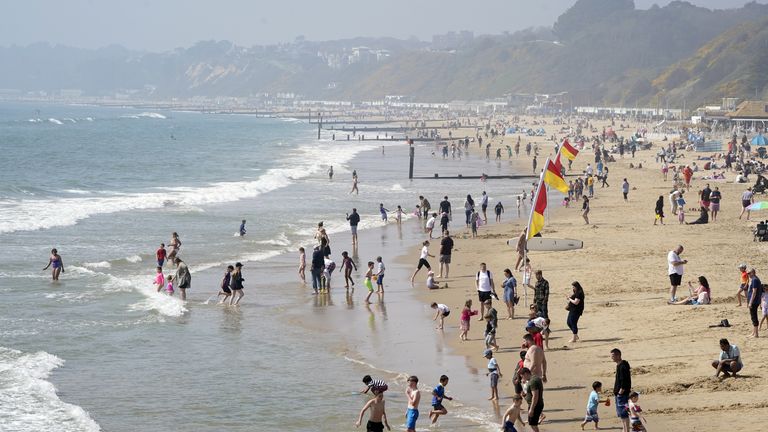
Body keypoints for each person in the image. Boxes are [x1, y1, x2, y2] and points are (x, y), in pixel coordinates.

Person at [611, 348, 632, 432]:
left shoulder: (622, 366)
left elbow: (624, 380)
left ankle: (626, 430)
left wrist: (620, 392)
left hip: (622, 394)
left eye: (613, 356)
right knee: (621, 413)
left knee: (623, 413)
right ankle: (624, 429)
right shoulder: (621, 364)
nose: (611, 357)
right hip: (622, 394)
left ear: (618, 355)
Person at [519, 367, 544, 432]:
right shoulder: (535, 378)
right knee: (533, 424)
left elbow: (535, 396)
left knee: (533, 425)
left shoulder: (533, 382)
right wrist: (525, 395)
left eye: (522, 376)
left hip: (535, 405)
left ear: (526, 373)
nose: (522, 378)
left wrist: (532, 409)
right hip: (538, 404)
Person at [747, 268, 762, 338]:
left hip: (754, 302)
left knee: (754, 317)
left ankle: (756, 334)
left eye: (749, 273)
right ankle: (753, 333)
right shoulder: (755, 279)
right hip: (755, 301)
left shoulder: (755, 280)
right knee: (753, 317)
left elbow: (754, 292)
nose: (748, 274)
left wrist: (750, 302)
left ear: (753, 273)